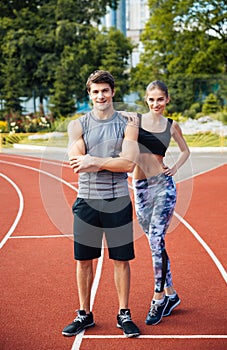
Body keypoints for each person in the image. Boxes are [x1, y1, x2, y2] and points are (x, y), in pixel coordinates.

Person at [62, 70, 140, 338]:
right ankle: (84, 314)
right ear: (89, 94)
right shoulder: (77, 125)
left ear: (113, 92)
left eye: (105, 90)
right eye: (95, 91)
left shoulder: (129, 123)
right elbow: (77, 163)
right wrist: (107, 161)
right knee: (84, 260)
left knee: (121, 260)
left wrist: (93, 161)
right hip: (86, 201)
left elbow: (128, 163)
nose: (100, 96)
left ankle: (124, 314)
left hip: (117, 200)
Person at [132, 80, 190, 325]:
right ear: (146, 99)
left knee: (156, 240)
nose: (156, 103)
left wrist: (174, 168)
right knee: (155, 243)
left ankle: (158, 298)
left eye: (160, 99)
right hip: (140, 188)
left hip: (162, 188)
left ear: (167, 100)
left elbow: (186, 150)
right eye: (152, 99)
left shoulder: (171, 125)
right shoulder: (135, 122)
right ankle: (171, 294)